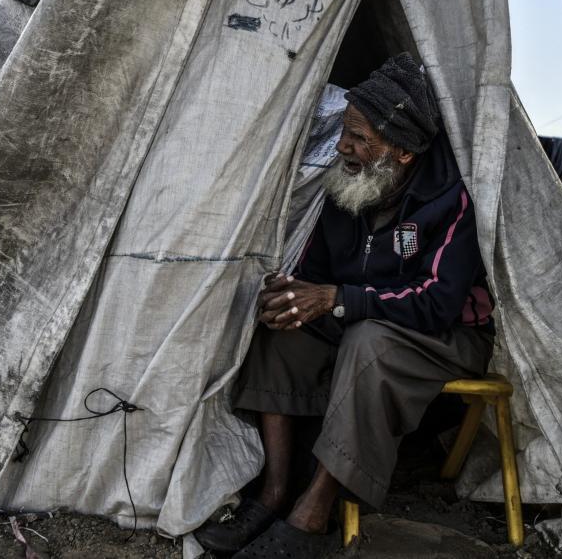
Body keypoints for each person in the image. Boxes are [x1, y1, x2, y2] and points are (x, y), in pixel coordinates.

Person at [195, 53, 495, 558]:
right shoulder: (348, 189)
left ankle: (312, 516)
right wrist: (290, 292)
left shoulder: (450, 200)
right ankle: (272, 493)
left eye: (359, 137)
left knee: (369, 340)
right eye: (345, 132)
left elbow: (439, 303)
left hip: (446, 337)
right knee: (283, 325)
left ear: (402, 153)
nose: (343, 146)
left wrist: (338, 299)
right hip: (361, 319)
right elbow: (316, 274)